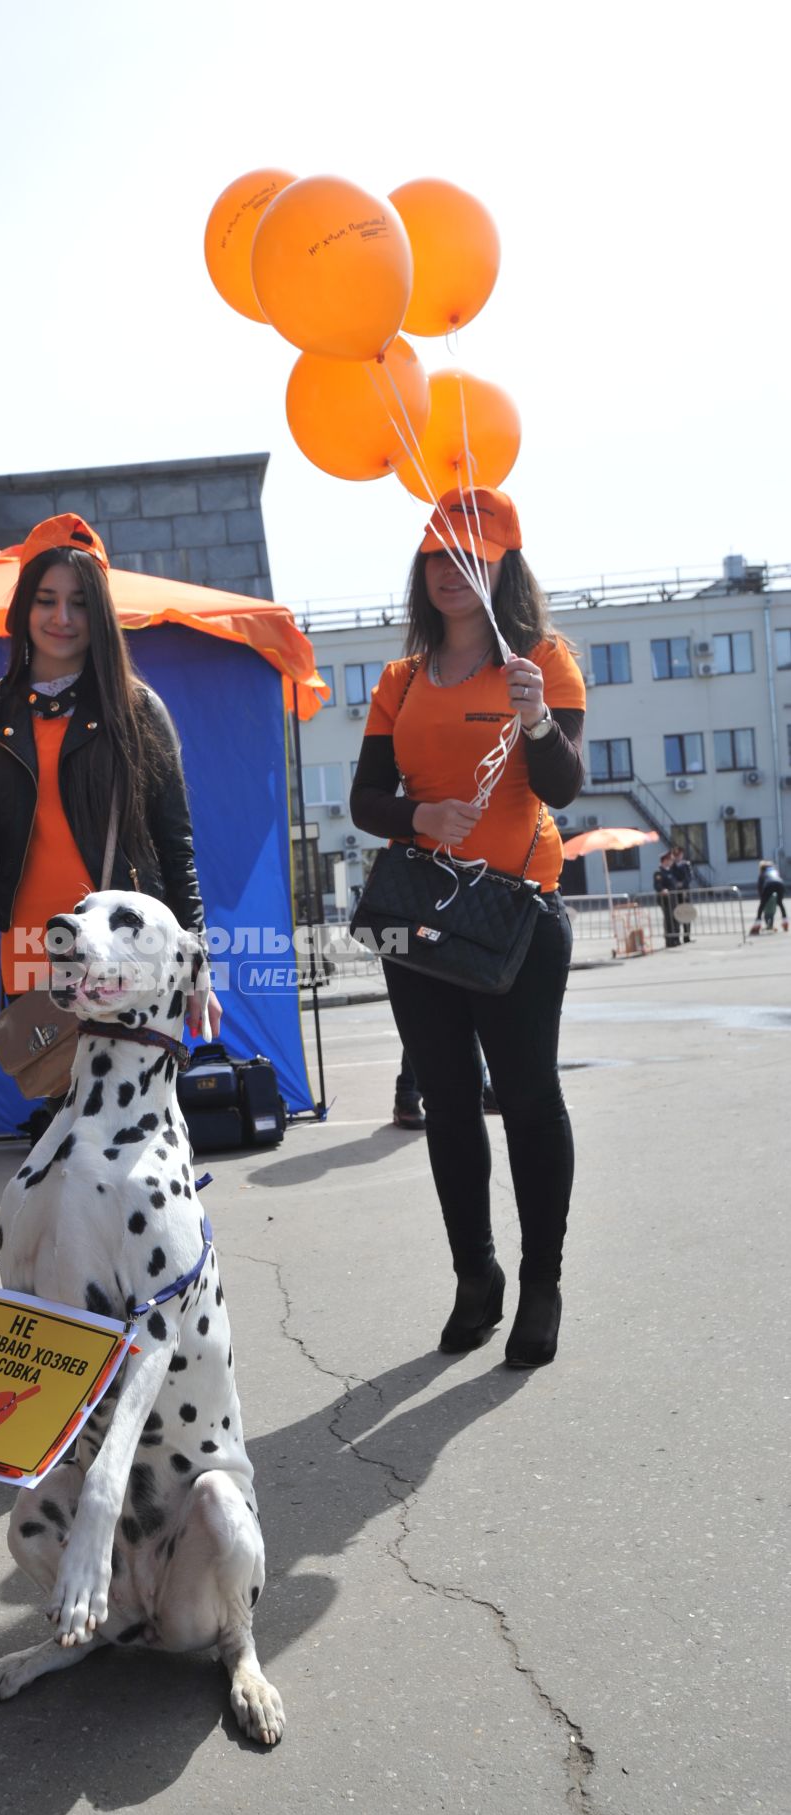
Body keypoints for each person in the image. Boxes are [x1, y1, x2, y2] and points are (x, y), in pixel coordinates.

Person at [350, 488, 586, 1368]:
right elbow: (365, 800)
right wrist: (419, 818)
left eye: (469, 559)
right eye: (436, 559)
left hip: (517, 914)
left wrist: (531, 717)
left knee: (527, 1101)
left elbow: (560, 787)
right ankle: (474, 1276)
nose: (449, 574)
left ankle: (541, 1284)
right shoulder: (399, 679)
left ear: (500, 570)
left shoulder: (541, 662)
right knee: (447, 1106)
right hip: (418, 916)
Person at [0, 514, 220, 1114]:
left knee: (136, 1127)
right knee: (60, 1118)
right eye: (46, 600)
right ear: (23, 607)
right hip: (32, 947)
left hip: (126, 948)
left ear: (100, 613)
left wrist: (196, 961)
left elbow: (175, 849)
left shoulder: (138, 710)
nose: (62, 618)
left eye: (78, 603)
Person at [653, 847, 680, 949]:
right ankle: (669, 940)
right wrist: (662, 889)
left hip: (673, 898)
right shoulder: (659, 872)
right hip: (665, 900)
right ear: (665, 860)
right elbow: (657, 885)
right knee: (668, 919)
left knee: (675, 918)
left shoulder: (670, 871)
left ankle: (676, 938)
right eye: (670, 860)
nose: (672, 861)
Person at [751, 859, 788, 934]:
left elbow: (760, 887)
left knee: (761, 906)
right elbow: (778, 879)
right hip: (780, 884)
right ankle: (785, 922)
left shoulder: (763, 873)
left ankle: (757, 925)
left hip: (769, 885)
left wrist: (763, 898)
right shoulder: (774, 871)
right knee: (780, 903)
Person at [671, 844, 694, 944]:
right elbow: (671, 877)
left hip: (685, 892)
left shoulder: (686, 864)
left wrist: (683, 883)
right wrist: (676, 884)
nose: (678, 857)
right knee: (677, 914)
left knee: (687, 913)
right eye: (676, 855)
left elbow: (689, 877)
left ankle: (687, 936)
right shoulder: (672, 866)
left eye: (679, 855)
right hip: (676, 893)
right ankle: (677, 937)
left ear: (682, 855)